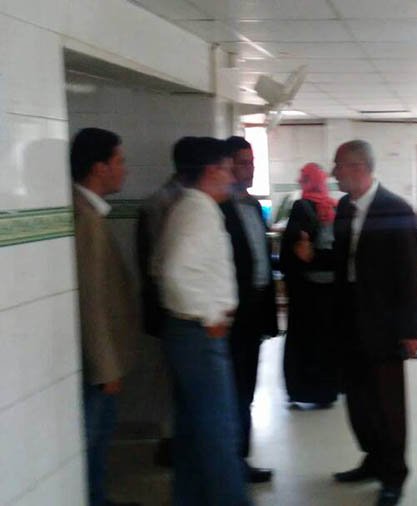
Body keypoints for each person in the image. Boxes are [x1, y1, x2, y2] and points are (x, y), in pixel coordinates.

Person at [154, 137, 251, 506]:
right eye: (228, 169)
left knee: (194, 429)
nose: (232, 177)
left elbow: (159, 266)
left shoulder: (189, 207)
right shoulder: (197, 211)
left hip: (186, 332)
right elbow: (173, 272)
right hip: (197, 333)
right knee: (218, 429)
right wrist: (210, 316)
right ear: (211, 171)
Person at [331, 140, 417, 506]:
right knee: (358, 400)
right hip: (349, 320)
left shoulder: (395, 209)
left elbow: (411, 274)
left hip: (385, 325)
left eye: (338, 165)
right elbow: (343, 263)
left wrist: (411, 330)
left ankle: (394, 474)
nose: (334, 172)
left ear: (358, 167)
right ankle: (372, 459)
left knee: (387, 404)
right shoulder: (344, 208)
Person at [71, 128, 140, 506]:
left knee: (99, 437)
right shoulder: (85, 218)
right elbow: (90, 300)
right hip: (98, 365)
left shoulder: (91, 212)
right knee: (92, 438)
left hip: (103, 360)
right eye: (119, 161)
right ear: (99, 168)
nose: (124, 170)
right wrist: (105, 368)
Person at [220, 136, 278, 483]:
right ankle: (230, 463)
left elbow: (261, 263)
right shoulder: (218, 208)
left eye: (253, 161)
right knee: (232, 391)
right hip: (231, 315)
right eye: (244, 162)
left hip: (255, 310)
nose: (251, 168)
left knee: (247, 388)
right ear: (227, 165)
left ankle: (240, 458)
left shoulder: (253, 206)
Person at [135, 137, 192, 468]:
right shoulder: (169, 204)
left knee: (173, 378)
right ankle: (172, 442)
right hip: (171, 309)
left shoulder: (168, 200)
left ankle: (175, 440)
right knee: (172, 379)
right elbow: (162, 265)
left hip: (168, 306)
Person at [281, 162, 340, 407]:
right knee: (328, 340)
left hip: (306, 291)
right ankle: (328, 390)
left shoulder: (301, 207)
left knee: (305, 342)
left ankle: (304, 390)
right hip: (332, 291)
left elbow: (293, 252)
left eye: (303, 178)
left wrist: (308, 256)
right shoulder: (335, 207)